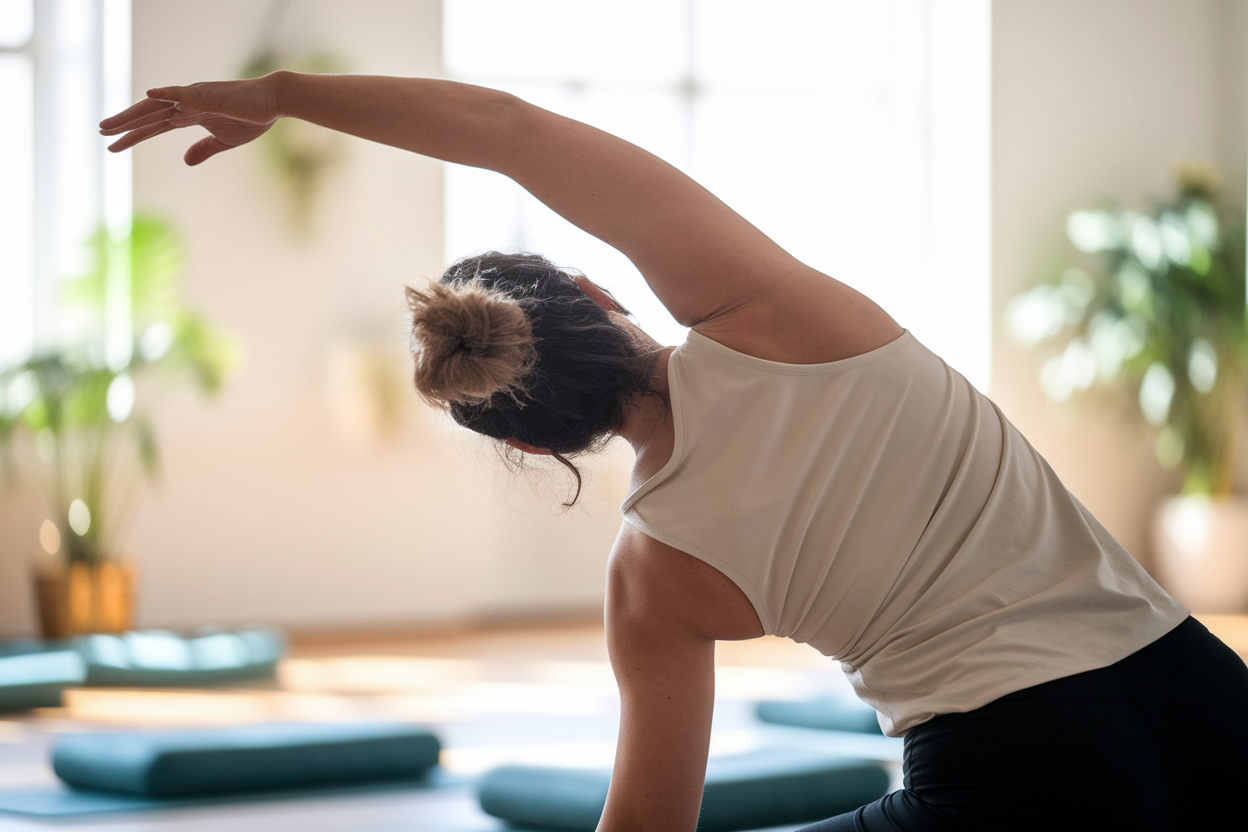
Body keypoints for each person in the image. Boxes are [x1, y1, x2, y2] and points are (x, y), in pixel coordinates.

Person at [102, 72, 1248, 831]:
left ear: (540, 444)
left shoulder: (652, 578)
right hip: (1204, 695)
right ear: (597, 293)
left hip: (1014, 784)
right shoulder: (778, 311)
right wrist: (281, 94)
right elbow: (515, 135)